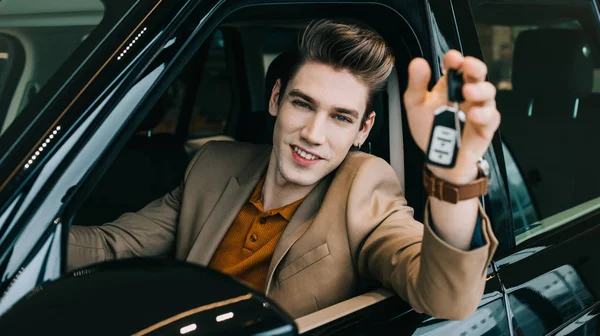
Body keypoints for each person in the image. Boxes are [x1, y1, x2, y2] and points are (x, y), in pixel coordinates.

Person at [68, 20, 500, 320]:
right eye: (302, 104)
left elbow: (447, 297)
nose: (313, 133)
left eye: (341, 118)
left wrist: (454, 177)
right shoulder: (214, 165)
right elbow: (109, 246)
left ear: (363, 130)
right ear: (276, 99)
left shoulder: (364, 188)